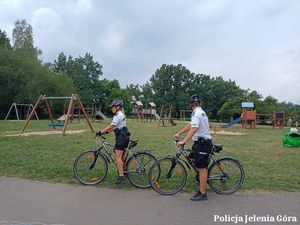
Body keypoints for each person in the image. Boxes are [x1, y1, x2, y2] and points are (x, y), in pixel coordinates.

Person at [174, 94, 212, 201]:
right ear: (200, 103)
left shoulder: (197, 113)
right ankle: (201, 180)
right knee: (192, 159)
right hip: (200, 143)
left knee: (202, 168)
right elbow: (190, 125)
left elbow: (194, 129)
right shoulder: (200, 112)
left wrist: (183, 141)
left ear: (190, 104)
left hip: (203, 144)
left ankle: (202, 193)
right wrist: (179, 133)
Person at [97, 99, 131, 184]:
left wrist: (101, 131)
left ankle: (121, 177)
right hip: (124, 137)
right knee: (121, 156)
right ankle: (123, 172)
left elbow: (112, 125)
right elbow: (117, 127)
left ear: (118, 107)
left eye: (113, 107)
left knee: (118, 157)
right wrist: (108, 131)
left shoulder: (117, 115)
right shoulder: (121, 114)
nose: (112, 108)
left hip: (121, 138)